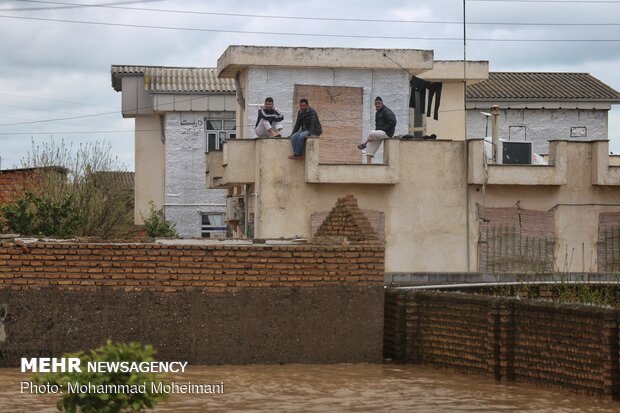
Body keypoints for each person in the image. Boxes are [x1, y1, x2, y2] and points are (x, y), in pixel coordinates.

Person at [357, 96, 396, 163]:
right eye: (376, 104)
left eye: (378, 103)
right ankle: (368, 165)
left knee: (371, 133)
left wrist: (384, 130)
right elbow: (377, 125)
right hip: (380, 133)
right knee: (370, 144)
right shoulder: (377, 113)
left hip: (387, 133)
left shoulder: (386, 111)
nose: (377, 105)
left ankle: (365, 143)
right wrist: (378, 131)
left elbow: (393, 122)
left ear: (382, 103)